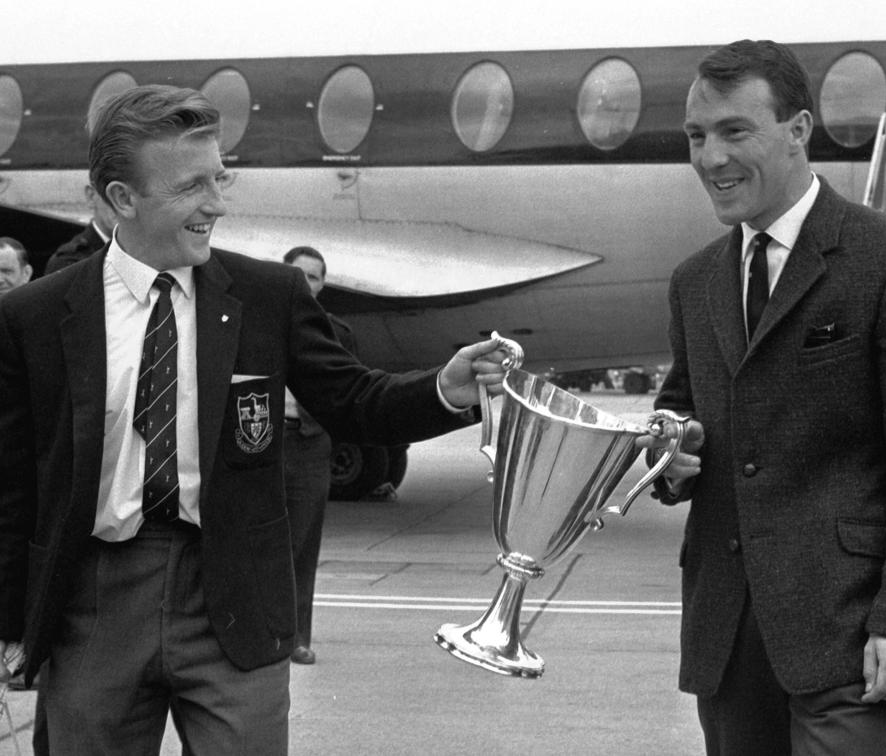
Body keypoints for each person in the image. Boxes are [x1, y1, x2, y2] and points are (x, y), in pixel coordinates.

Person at [0, 84, 512, 756]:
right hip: (94, 604)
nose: (215, 203)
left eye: (219, 178)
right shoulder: (36, 317)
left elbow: (354, 400)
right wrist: (14, 622)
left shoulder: (269, 297)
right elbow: (13, 489)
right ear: (123, 199)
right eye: (191, 187)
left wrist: (443, 388)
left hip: (232, 597)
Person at [651, 39, 886, 755]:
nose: (710, 158)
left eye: (735, 132)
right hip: (725, 633)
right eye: (698, 136)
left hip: (847, 635)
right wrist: (669, 458)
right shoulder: (694, 281)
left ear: (798, 131)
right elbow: (679, 418)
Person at [280, 244, 350, 666]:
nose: (307, 284)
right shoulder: (257, 321)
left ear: (324, 284)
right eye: (299, 275)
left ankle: (297, 639)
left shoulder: (336, 332)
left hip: (309, 444)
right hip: (264, 441)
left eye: (315, 277)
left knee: (304, 545)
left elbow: (349, 392)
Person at [44, 184, 118, 274]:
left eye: (134, 193)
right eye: (114, 193)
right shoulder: (69, 264)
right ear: (92, 196)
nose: (124, 204)